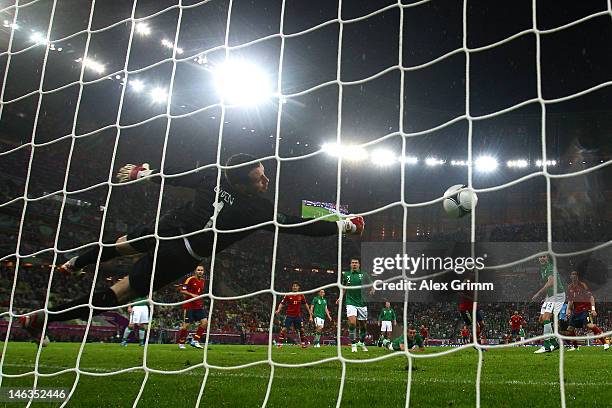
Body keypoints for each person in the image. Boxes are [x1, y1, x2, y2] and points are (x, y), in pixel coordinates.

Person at [20, 154, 364, 344]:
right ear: (242, 183)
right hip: (180, 254)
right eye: (260, 178)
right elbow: (294, 224)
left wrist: (146, 172)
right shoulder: (256, 209)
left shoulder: (213, 175)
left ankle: (78, 261)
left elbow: (179, 175)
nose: (266, 181)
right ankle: (41, 319)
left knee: (121, 245)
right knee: (119, 292)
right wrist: (341, 225)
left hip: (166, 229)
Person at [337, 258, 372, 353]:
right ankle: (353, 344)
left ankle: (361, 342)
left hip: (362, 303)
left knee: (363, 326)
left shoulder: (364, 274)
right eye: (352, 263)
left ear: (359, 265)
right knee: (352, 323)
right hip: (350, 302)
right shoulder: (346, 275)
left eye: (356, 263)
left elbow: (371, 284)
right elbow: (344, 288)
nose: (354, 264)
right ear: (350, 265)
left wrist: (372, 289)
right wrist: (340, 297)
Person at [532, 255, 565, 354]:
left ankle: (546, 346)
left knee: (546, 318)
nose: (542, 258)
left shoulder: (550, 267)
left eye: (544, 256)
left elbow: (550, 283)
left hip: (557, 295)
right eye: (540, 257)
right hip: (550, 296)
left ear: (547, 258)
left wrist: (538, 293)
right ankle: (554, 343)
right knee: (541, 319)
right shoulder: (543, 268)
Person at [176, 265, 208, 349]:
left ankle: (195, 341)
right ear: (195, 271)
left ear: (203, 272)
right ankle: (181, 343)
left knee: (205, 322)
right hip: (189, 305)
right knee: (186, 325)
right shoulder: (190, 279)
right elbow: (182, 290)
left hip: (198, 306)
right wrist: (191, 294)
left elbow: (198, 292)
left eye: (201, 270)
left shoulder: (203, 281)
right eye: (198, 270)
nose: (200, 271)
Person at [276, 281, 311, 348]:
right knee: (284, 329)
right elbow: (282, 303)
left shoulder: (301, 295)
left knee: (302, 329)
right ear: (292, 287)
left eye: (296, 286)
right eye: (294, 286)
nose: (295, 287)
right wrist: (278, 310)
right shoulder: (288, 294)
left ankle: (303, 344)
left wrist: (309, 312)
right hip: (289, 315)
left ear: (298, 287)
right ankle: (279, 344)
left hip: (297, 316)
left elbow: (305, 304)